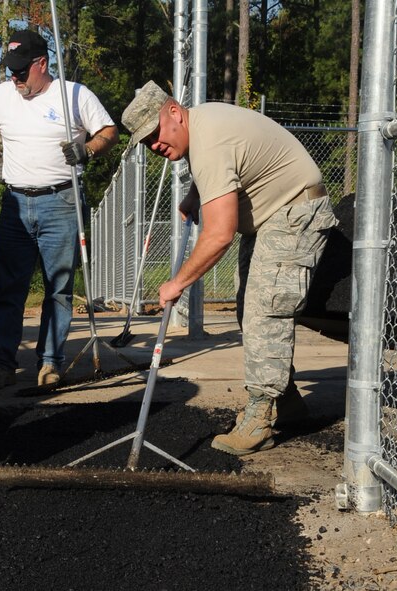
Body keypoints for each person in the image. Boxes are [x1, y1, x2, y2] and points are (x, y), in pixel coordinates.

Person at [122, 81, 338, 456]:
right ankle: (284, 400)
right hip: (273, 216)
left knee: (264, 311)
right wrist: (195, 195)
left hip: (294, 213)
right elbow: (228, 170)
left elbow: (219, 234)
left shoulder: (209, 141)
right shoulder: (201, 126)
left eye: (155, 133)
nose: (154, 144)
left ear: (174, 112)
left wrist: (178, 283)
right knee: (248, 308)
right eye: (146, 142)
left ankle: (259, 419)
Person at [0, 30, 118, 390]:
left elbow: (109, 131)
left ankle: (50, 362)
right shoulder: (1, 95)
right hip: (16, 204)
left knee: (58, 288)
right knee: (9, 287)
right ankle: (2, 364)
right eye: (11, 71)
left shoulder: (74, 94)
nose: (15, 79)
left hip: (62, 202)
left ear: (42, 64)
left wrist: (89, 150)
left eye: (22, 71)